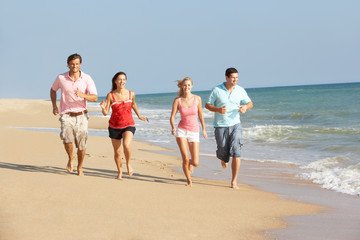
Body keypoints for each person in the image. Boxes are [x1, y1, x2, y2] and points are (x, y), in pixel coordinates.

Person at [50, 53, 98, 176]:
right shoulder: (61, 78)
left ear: (80, 64)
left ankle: (80, 167)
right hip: (66, 114)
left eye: (76, 64)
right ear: (68, 64)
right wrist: (54, 105)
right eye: (72, 64)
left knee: (82, 144)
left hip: (82, 115)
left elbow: (94, 97)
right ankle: (71, 158)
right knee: (67, 139)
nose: (74, 66)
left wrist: (83, 95)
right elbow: (53, 90)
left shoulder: (87, 78)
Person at [205, 67, 253, 189]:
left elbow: (250, 103)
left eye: (237, 77)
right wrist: (217, 109)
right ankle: (223, 158)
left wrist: (245, 108)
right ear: (226, 77)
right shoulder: (216, 90)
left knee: (237, 152)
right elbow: (207, 105)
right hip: (220, 125)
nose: (235, 80)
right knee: (223, 151)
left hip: (236, 124)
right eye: (233, 77)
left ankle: (234, 181)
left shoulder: (240, 90)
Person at [100, 72, 148, 180]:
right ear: (115, 81)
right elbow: (105, 112)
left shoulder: (131, 94)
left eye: (124, 79)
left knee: (126, 145)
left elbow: (133, 104)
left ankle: (128, 163)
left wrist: (139, 116)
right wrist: (103, 108)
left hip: (128, 124)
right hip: (114, 126)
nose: (122, 81)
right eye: (120, 79)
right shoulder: (111, 95)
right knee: (117, 152)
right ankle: (120, 172)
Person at [170, 77, 207, 187]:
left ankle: (190, 163)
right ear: (182, 86)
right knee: (185, 158)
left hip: (194, 131)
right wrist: (173, 127)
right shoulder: (178, 100)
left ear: (192, 86)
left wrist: (204, 129)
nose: (187, 87)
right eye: (185, 85)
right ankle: (189, 181)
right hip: (181, 131)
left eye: (189, 85)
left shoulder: (197, 99)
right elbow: (172, 116)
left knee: (195, 162)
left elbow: (200, 115)